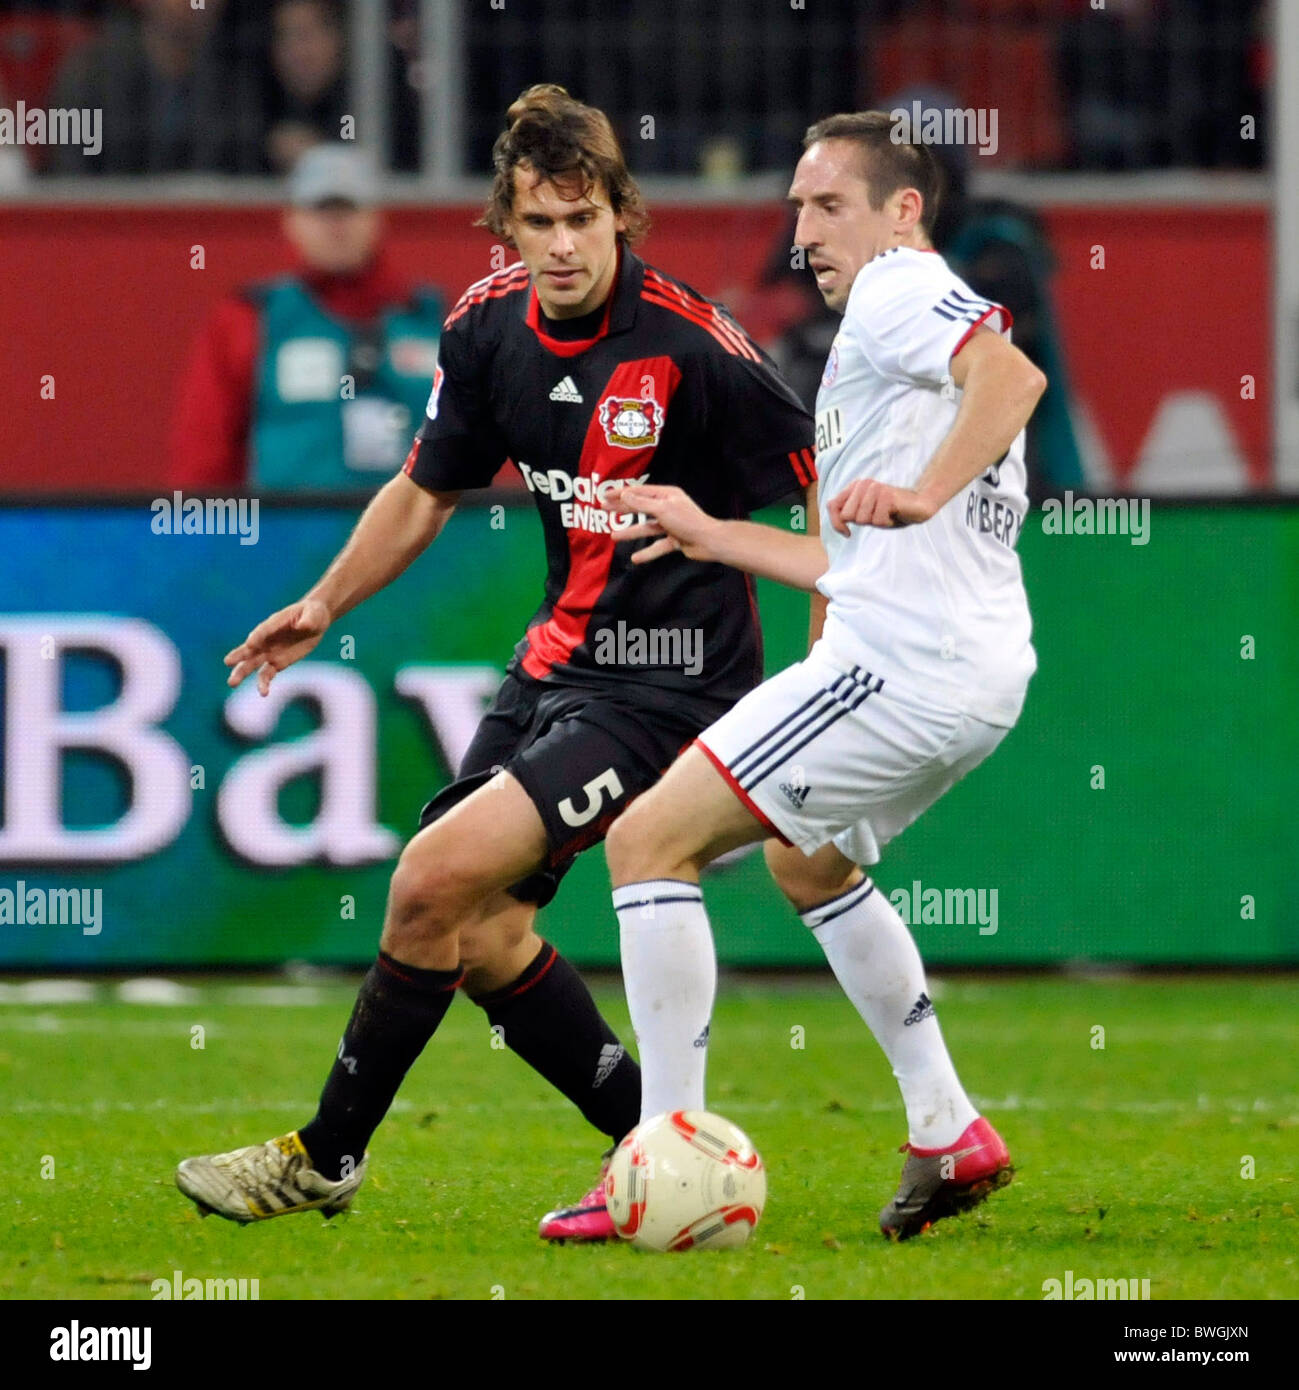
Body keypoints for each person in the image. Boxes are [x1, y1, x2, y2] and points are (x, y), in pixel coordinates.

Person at [174, 85, 818, 1239]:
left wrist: (831, 649)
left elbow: (827, 492)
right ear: (506, 228)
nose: (564, 245)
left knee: (426, 877)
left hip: (671, 687)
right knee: (473, 935)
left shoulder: (693, 343)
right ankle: (657, 1149)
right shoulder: (482, 328)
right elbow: (427, 486)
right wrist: (323, 602)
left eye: (584, 219)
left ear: (622, 213)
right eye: (539, 223)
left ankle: (324, 1157)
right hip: (553, 666)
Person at [598, 110, 1046, 1241]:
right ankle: (949, 1131)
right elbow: (840, 561)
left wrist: (925, 489)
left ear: (903, 211)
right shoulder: (879, 354)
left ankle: (659, 1163)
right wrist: (710, 529)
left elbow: (1015, 376)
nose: (805, 232)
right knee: (807, 864)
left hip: (901, 664)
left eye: (829, 204)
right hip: (970, 668)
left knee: (646, 843)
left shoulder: (903, 289)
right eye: (797, 206)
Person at [168, 144, 445, 492]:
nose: (335, 227)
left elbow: (475, 448)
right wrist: (202, 539)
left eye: (348, 210)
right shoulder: (249, 318)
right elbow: (204, 451)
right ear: (291, 221)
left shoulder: (434, 318)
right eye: (321, 211)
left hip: (419, 543)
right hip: (286, 540)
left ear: (377, 218)